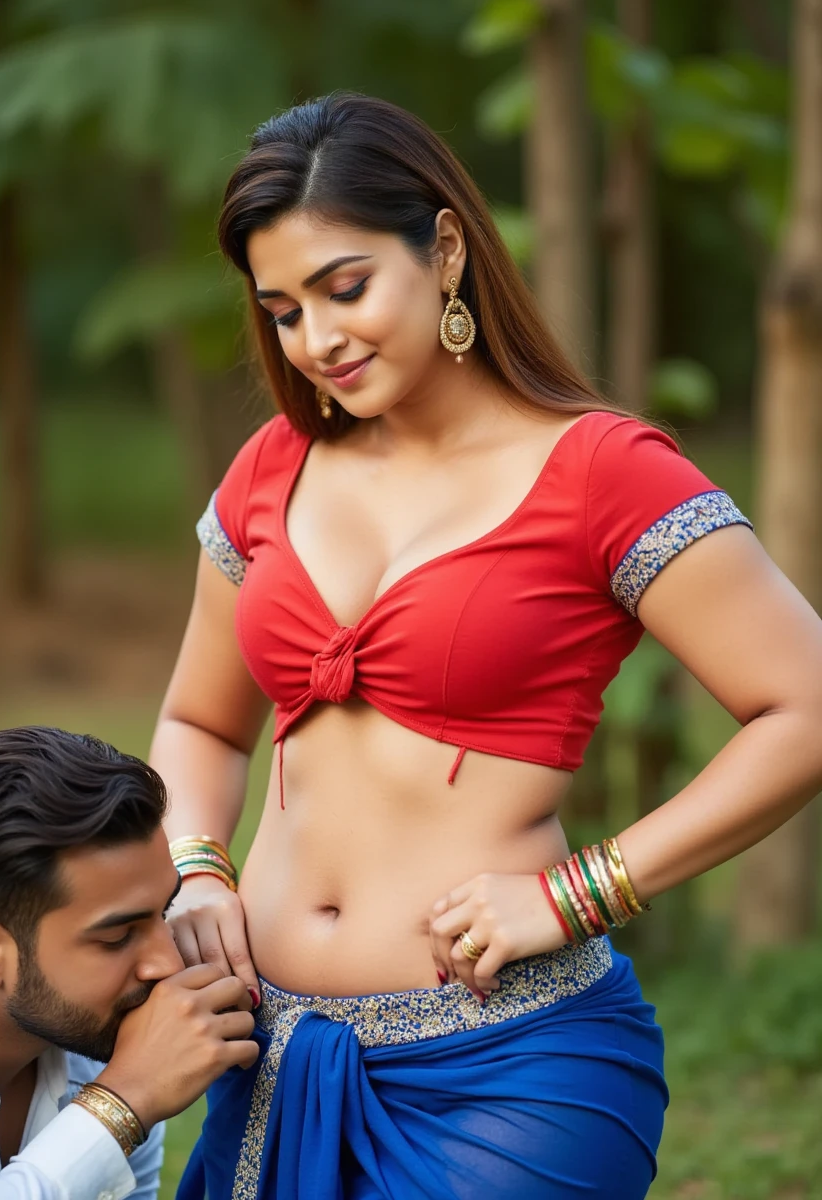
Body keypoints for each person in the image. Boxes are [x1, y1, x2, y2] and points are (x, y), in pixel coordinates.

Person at [154, 93, 822, 1200]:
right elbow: (197, 721)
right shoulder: (272, 466)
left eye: (346, 287)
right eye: (281, 310)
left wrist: (579, 890)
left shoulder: (603, 470)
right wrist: (192, 870)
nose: (317, 339)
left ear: (447, 247)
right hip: (274, 1062)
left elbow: (803, 702)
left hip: (509, 1076)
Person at [0, 726, 259, 1200]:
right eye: (116, 937)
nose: (169, 962)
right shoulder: (125, 1082)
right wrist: (121, 1105)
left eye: (165, 912)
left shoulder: (107, 1055)